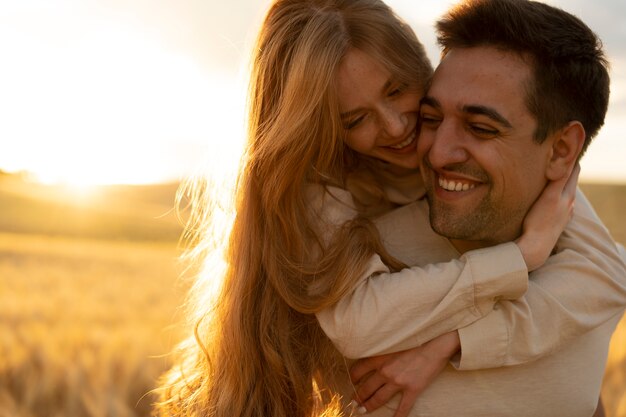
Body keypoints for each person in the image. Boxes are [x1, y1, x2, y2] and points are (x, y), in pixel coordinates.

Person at [154, 1, 626, 417]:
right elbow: (358, 324)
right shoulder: (318, 196)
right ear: (323, 130)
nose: (398, 127)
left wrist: (450, 343)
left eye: (401, 92)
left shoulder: (535, 193)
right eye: (356, 120)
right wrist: (522, 257)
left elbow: (607, 274)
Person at [323, 1, 626, 416]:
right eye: (431, 118)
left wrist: (456, 339)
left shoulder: (583, 269)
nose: (437, 154)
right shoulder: (355, 263)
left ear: (562, 150)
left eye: (481, 128)